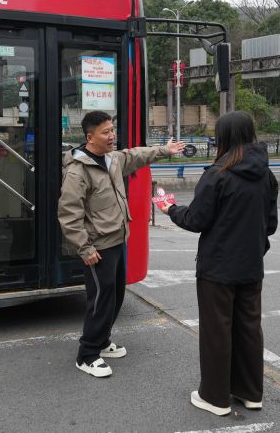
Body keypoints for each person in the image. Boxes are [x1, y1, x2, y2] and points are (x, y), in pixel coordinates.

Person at [159, 111, 278, 415]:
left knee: (217, 331)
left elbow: (196, 219)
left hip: (218, 268)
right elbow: (270, 224)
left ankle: (215, 397)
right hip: (251, 265)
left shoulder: (218, 174)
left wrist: (170, 208)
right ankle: (250, 393)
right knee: (249, 328)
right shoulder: (266, 175)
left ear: (223, 137)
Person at [58, 110, 185, 378]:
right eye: (106, 132)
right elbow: (69, 214)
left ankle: (102, 341)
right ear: (90, 137)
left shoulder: (112, 159)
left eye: (112, 130)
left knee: (114, 296)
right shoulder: (78, 171)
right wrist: (85, 248)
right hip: (98, 247)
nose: (112, 136)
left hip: (117, 240)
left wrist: (165, 150)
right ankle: (87, 354)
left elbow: (137, 155)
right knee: (100, 299)